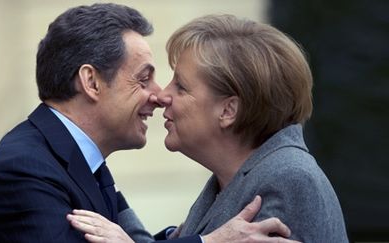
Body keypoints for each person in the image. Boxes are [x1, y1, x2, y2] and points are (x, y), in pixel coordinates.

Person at [0, 4, 296, 243]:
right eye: (143, 79)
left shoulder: (72, 159)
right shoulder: (25, 170)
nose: (159, 95)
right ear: (91, 82)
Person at [68, 14, 350, 242]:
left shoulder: (288, 179)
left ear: (228, 111)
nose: (162, 96)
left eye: (181, 86)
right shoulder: (233, 177)